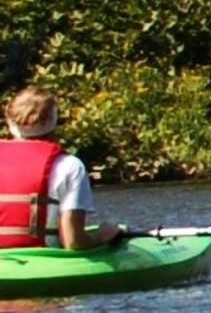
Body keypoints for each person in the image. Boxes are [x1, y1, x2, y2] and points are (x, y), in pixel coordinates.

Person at [1, 84, 128, 255]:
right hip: (41, 261)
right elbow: (73, 241)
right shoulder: (70, 166)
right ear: (53, 121)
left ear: (10, 121)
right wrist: (103, 235)